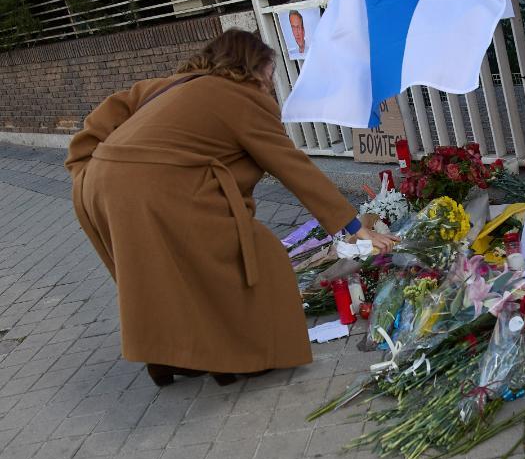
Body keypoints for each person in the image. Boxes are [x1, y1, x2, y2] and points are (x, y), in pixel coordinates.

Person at [66, 30, 396, 387]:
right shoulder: (239, 96)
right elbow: (293, 167)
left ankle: (169, 360)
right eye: (269, 76)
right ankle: (248, 358)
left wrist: (91, 170)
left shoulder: (167, 86)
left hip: (97, 186)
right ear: (252, 68)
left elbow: (96, 125)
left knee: (159, 277)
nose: (270, 87)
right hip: (155, 194)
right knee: (255, 257)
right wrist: (352, 226)